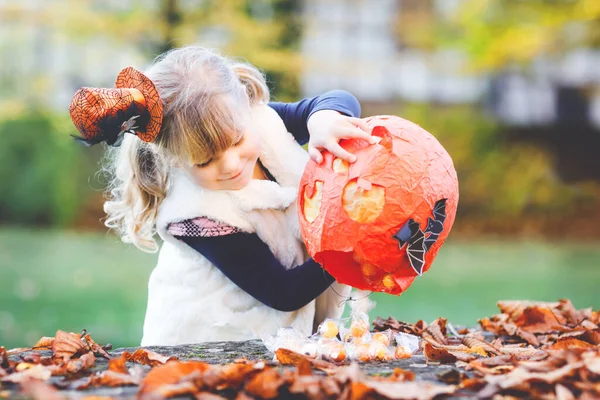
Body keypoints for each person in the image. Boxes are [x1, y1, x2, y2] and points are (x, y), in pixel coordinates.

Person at [68, 45, 376, 346]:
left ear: (244, 103)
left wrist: (321, 120)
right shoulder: (196, 214)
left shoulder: (259, 120)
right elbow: (282, 291)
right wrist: (353, 245)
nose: (230, 165)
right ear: (174, 159)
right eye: (204, 161)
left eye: (237, 140)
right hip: (203, 349)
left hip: (271, 342)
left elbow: (340, 99)